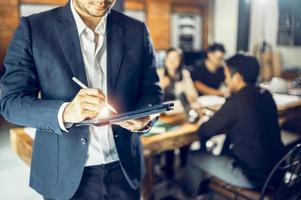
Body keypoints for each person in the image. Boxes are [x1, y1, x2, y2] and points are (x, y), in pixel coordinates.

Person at [0, 0, 162, 199]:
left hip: (125, 169)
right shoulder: (34, 28)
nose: (102, 1)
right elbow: (11, 102)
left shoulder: (137, 30)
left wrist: (145, 115)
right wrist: (66, 112)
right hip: (63, 173)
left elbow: (152, 90)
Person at [183, 54, 285, 197]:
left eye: (227, 75)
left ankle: (187, 197)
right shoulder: (265, 94)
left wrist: (202, 121)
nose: (225, 80)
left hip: (254, 177)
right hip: (277, 170)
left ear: (237, 77)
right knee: (223, 154)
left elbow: (205, 131)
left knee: (194, 157)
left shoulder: (237, 101)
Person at [157, 48, 198, 179]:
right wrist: (161, 86)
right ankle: (168, 171)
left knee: (184, 142)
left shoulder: (184, 74)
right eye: (170, 58)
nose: (172, 61)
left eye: (176, 58)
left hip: (180, 114)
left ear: (180, 61)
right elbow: (152, 100)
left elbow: (193, 95)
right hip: (164, 116)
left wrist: (190, 95)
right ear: (165, 60)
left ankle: (184, 170)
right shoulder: (158, 73)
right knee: (169, 145)